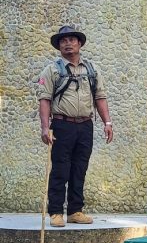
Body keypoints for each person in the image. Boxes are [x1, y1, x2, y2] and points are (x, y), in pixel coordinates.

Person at [37, 25, 113, 227]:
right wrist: (45, 128)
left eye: (72, 40)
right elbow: (44, 99)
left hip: (85, 126)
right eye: (63, 41)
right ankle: (55, 212)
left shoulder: (91, 69)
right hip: (62, 125)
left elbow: (100, 97)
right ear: (59, 46)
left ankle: (75, 211)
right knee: (60, 169)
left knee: (80, 169)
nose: (68, 43)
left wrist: (107, 122)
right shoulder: (52, 70)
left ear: (79, 43)